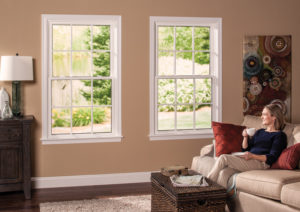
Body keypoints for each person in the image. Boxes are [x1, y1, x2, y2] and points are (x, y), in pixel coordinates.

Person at [207, 104, 287, 182]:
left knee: (223, 158)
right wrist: (245, 137)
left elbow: (272, 157)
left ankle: (205, 183)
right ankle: (218, 194)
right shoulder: (260, 132)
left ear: (274, 117)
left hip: (261, 163)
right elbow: (245, 148)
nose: (261, 117)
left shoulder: (279, 135)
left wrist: (252, 156)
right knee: (224, 172)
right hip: (249, 159)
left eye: (264, 114)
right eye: (262, 114)